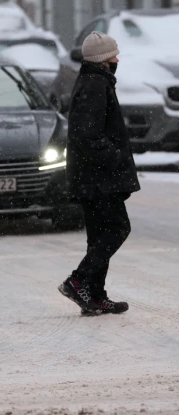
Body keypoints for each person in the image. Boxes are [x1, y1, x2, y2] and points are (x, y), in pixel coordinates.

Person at [58, 31, 140, 315]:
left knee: (101, 235)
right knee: (117, 229)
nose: (117, 59)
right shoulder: (95, 84)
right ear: (103, 60)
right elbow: (87, 135)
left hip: (92, 178)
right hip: (97, 180)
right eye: (113, 55)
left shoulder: (95, 80)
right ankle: (78, 281)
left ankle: (94, 295)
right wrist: (115, 157)